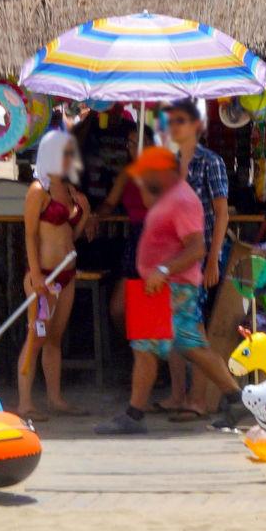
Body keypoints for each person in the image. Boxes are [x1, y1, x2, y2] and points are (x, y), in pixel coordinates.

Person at [94, 146, 244, 434]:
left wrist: (163, 270)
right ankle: (136, 414)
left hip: (171, 287)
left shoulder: (182, 200)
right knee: (153, 348)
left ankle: (234, 398)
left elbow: (196, 247)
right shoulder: (169, 198)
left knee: (180, 346)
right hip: (157, 287)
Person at [161, 99, 231, 418]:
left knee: (195, 326)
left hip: (198, 255)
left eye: (179, 121)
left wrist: (214, 259)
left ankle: (199, 399)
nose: (173, 127)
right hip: (173, 256)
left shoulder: (210, 162)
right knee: (174, 326)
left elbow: (221, 214)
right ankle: (179, 395)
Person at [17, 128, 87, 421]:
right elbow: (30, 234)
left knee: (55, 338)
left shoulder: (69, 191)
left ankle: (55, 398)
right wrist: (36, 275)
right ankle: (25, 402)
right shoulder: (38, 191)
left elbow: (73, 233)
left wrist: (83, 210)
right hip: (44, 275)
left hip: (66, 274)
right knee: (36, 336)